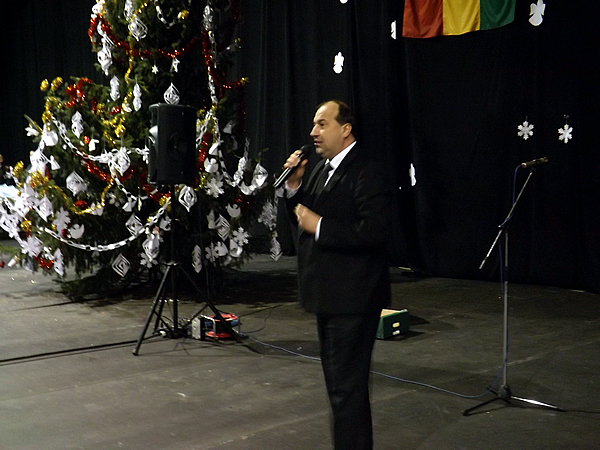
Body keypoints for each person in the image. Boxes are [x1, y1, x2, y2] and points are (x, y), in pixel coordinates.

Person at [282, 100, 392, 449]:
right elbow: (303, 219)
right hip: (328, 296)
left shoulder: (367, 170)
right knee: (338, 390)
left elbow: (374, 232)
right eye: (314, 124)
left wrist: (321, 225)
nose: (313, 132)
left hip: (354, 300)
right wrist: (294, 187)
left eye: (322, 124)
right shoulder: (320, 169)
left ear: (345, 129)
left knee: (348, 392)